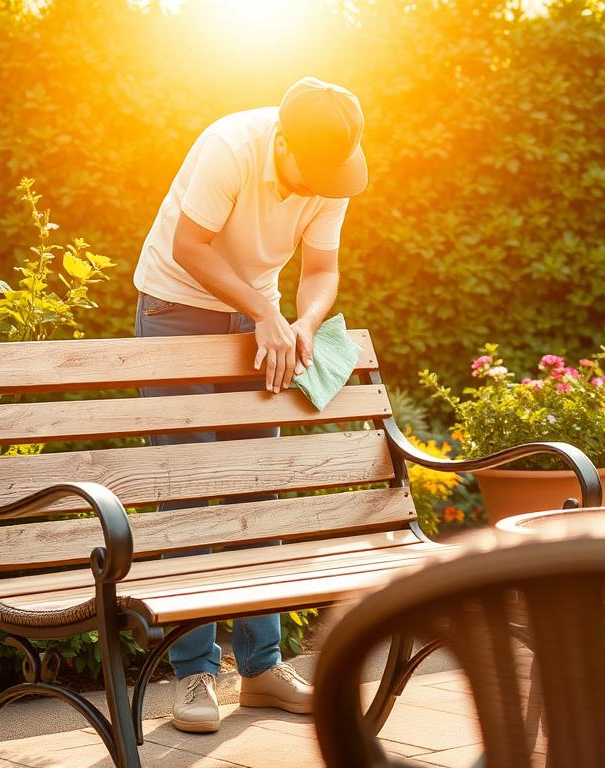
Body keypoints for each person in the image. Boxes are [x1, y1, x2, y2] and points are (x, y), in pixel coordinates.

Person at [131, 76, 367, 734]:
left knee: (256, 491)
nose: (319, 186)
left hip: (252, 318)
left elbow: (320, 270)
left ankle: (261, 669)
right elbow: (189, 246)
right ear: (282, 141)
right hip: (177, 308)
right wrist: (265, 308)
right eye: (310, 172)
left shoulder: (331, 169)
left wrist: (305, 323)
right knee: (187, 490)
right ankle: (195, 673)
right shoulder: (230, 146)